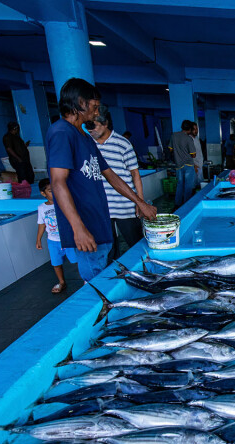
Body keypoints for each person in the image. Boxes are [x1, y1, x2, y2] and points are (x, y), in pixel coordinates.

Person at [47, 78, 156, 282]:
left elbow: (110, 174)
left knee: (105, 274)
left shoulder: (85, 137)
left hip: (99, 221)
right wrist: (77, 228)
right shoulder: (62, 133)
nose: (97, 113)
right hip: (85, 225)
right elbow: (57, 182)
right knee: (96, 283)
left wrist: (140, 202)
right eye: (94, 107)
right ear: (80, 103)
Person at [88, 105, 145, 262]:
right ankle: (114, 280)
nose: (90, 130)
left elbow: (135, 174)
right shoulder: (88, 145)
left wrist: (139, 202)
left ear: (105, 123)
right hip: (102, 207)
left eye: (93, 126)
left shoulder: (122, 143)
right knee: (109, 248)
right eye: (87, 126)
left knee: (136, 244)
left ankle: (144, 272)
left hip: (124, 205)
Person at [36, 178, 77, 294]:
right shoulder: (42, 208)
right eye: (50, 191)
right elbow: (42, 224)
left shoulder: (63, 202)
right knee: (56, 263)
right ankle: (62, 282)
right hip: (53, 241)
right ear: (43, 193)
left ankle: (85, 279)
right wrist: (38, 239)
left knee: (77, 260)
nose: (53, 193)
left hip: (68, 239)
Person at [171, 120, 197, 207]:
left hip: (178, 165)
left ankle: (177, 204)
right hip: (188, 165)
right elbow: (193, 155)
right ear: (189, 129)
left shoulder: (174, 136)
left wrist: (178, 152)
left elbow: (170, 149)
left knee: (180, 185)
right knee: (188, 186)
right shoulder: (188, 139)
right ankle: (186, 205)